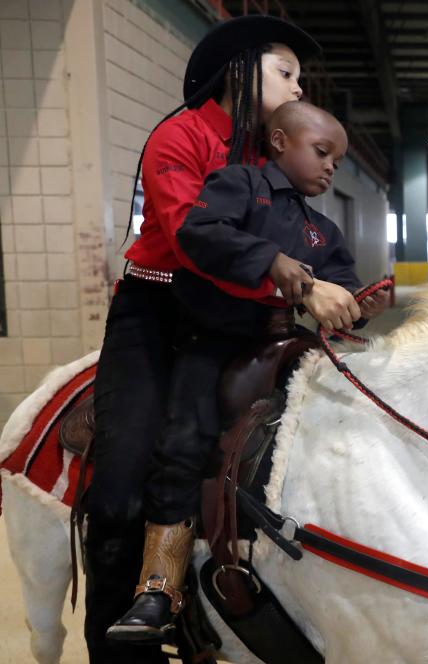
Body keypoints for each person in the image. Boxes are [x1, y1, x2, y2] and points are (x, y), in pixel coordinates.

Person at [84, 16, 328, 664]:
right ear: (241, 70)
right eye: (285, 73)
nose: (298, 86)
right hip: (158, 312)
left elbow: (307, 230)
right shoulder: (179, 136)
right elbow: (195, 237)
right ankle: (121, 644)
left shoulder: (275, 153)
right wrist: (295, 282)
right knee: (120, 490)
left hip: (240, 317)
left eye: (301, 78)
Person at [106, 101, 388, 642]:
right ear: (279, 141)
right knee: (183, 442)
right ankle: (159, 587)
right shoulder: (237, 185)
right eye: (322, 152)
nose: (331, 166)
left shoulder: (319, 229)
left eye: (338, 158)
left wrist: (362, 301)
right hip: (211, 340)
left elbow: (342, 280)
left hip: (283, 344)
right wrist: (274, 263)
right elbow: (200, 234)